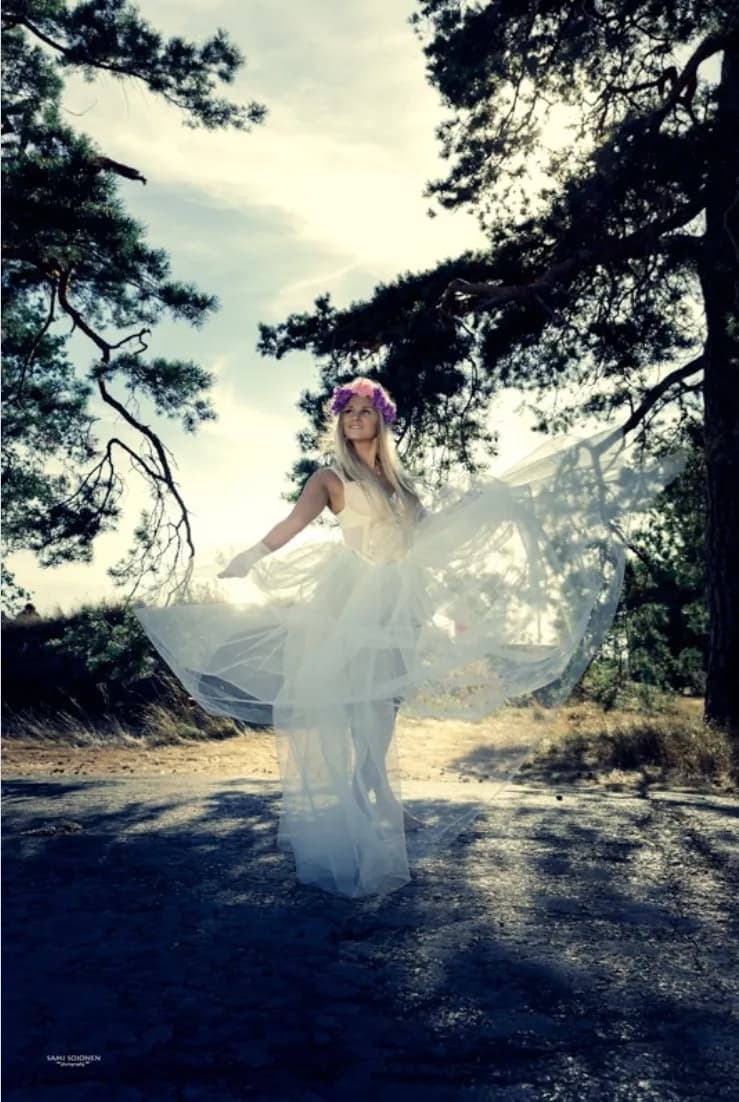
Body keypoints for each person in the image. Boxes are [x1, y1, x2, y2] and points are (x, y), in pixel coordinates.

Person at [135, 376, 682, 899]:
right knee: (359, 698)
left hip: (401, 598)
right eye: (347, 412)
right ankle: (361, 796)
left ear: (381, 420)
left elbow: (428, 535)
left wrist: (481, 509)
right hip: (352, 596)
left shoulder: (399, 484)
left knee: (387, 700)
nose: (355, 420)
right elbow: (292, 524)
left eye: (365, 412)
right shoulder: (330, 479)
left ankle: (380, 794)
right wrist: (251, 556)